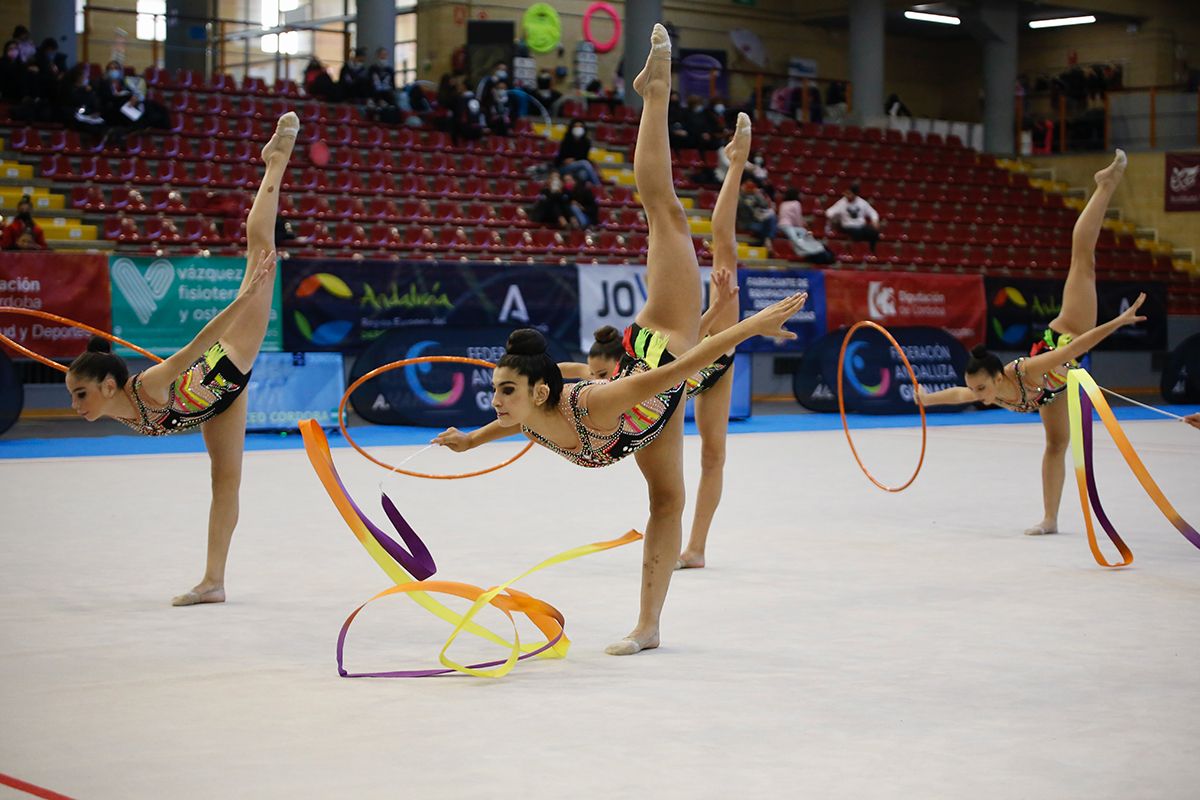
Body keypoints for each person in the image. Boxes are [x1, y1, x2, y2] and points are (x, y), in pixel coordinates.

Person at [433, 25, 808, 656]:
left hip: (664, 343)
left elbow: (685, 364)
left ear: (541, 388)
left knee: (663, 209)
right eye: (496, 393)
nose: (496, 402)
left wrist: (747, 323)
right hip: (645, 418)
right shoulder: (527, 411)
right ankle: (652, 626)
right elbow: (510, 421)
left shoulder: (589, 403)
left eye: (503, 391)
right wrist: (472, 439)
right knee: (667, 500)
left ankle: (654, 91)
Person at [62, 112, 298, 606]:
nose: (74, 405)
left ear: (109, 386)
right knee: (225, 481)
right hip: (218, 402)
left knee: (262, 249)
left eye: (80, 393)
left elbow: (195, 347)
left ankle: (276, 159)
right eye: (71, 396)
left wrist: (243, 302)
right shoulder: (123, 408)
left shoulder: (147, 385)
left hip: (230, 356)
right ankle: (214, 581)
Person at [917, 151, 1144, 537]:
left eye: (982, 389)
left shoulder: (1022, 371)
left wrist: (1116, 323)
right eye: (977, 390)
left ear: (996, 376)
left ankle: (1105, 184)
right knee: (1056, 445)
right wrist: (926, 399)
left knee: (1082, 259)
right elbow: (958, 395)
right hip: (1052, 394)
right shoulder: (991, 390)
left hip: (1070, 331)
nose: (979, 397)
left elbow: (1072, 352)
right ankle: (1050, 519)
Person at [564, 124, 755, 568]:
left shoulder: (630, 369)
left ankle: (737, 162)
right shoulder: (619, 379)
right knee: (687, 464)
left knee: (725, 250)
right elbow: (563, 377)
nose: (593, 378)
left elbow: (693, 344)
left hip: (711, 351)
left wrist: (722, 306)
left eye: (597, 373)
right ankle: (685, 543)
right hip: (686, 368)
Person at [777, 188, 833, 263]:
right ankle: (813, 252)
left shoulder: (783, 203)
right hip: (788, 226)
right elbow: (797, 218)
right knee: (803, 234)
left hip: (781, 226)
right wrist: (802, 226)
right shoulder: (796, 203)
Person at [824, 183, 880, 252]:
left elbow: (872, 212)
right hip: (847, 226)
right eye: (846, 193)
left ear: (855, 194)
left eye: (849, 193)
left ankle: (872, 251)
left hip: (861, 226)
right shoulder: (842, 202)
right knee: (857, 233)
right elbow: (829, 212)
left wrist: (875, 221)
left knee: (874, 233)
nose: (846, 195)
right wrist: (835, 218)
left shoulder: (862, 202)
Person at [555, 118, 602, 185]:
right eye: (576, 126)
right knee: (584, 163)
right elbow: (558, 158)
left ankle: (579, 193)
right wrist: (564, 160)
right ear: (571, 128)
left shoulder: (586, 142)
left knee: (583, 175)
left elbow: (584, 157)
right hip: (565, 168)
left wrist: (574, 160)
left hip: (579, 168)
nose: (578, 128)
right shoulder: (566, 141)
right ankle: (598, 186)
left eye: (580, 126)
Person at [737, 180, 777, 246]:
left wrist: (758, 195)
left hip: (756, 220)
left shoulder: (755, 196)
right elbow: (748, 209)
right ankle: (767, 241)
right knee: (766, 227)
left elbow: (765, 205)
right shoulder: (739, 197)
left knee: (772, 218)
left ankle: (767, 240)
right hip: (745, 223)